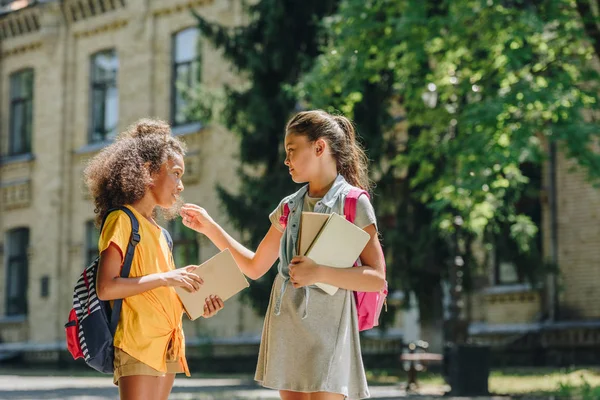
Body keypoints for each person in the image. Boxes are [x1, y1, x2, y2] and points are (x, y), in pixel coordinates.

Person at [180, 110, 386, 400]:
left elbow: (377, 278)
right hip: (287, 325)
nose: (286, 160)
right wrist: (210, 228)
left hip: (331, 330)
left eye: (292, 150)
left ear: (319, 147)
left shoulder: (353, 202)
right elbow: (254, 267)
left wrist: (318, 272)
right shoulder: (288, 207)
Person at [84, 118, 224, 400]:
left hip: (169, 343)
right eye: (175, 173)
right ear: (148, 172)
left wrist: (198, 303)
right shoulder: (121, 220)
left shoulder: (162, 233)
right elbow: (107, 287)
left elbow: (157, 295)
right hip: (137, 342)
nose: (181, 185)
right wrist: (167, 277)